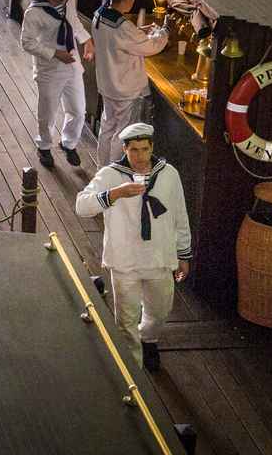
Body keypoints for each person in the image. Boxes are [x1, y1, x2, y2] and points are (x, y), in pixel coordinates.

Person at [74, 123, 192, 373]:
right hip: (124, 260)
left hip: (160, 259)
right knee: (126, 322)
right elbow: (81, 206)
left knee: (160, 311)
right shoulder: (110, 175)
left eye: (145, 149)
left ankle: (148, 338)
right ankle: (135, 375)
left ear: (152, 147)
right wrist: (115, 194)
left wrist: (183, 254)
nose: (140, 156)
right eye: (134, 150)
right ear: (125, 149)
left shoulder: (169, 174)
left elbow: (180, 216)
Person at [85, 0, 170, 165]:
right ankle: (114, 172)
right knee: (122, 133)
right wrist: (164, 32)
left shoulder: (100, 14)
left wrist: (140, 30)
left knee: (107, 127)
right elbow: (150, 47)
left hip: (107, 84)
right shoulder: (123, 27)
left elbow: (121, 39)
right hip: (124, 89)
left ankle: (102, 168)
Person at [21, 0, 85, 168]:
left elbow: (73, 22)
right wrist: (56, 53)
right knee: (48, 112)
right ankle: (44, 146)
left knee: (78, 109)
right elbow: (27, 42)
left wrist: (87, 40)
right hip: (49, 69)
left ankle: (68, 143)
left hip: (72, 63)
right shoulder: (34, 12)